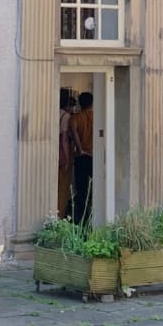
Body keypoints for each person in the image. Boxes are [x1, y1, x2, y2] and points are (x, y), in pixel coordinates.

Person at [70, 91, 95, 225]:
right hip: (95, 156)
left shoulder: (75, 118)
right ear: (92, 103)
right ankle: (94, 215)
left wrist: (80, 149)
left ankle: (81, 218)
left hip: (81, 156)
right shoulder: (99, 116)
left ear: (80, 103)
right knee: (96, 188)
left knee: (81, 189)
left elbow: (74, 133)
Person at [57, 89, 75, 219]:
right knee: (63, 187)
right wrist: (67, 158)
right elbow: (64, 139)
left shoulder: (51, 111)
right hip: (61, 151)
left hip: (51, 149)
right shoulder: (66, 116)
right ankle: (60, 214)